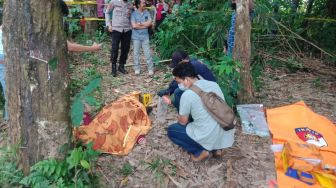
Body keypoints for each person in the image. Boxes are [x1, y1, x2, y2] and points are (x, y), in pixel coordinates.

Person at [167, 63, 235, 162]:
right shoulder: (214, 84)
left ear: (186, 79)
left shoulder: (187, 95)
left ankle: (200, 151)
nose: (179, 85)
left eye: (179, 81)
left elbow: (182, 122)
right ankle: (217, 149)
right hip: (224, 129)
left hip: (206, 135)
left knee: (172, 130)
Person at [105, 0, 133, 77]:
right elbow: (107, 13)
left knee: (125, 49)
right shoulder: (113, 2)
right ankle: (113, 67)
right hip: (116, 29)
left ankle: (121, 66)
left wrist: (131, 26)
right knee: (115, 48)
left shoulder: (130, 4)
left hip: (127, 30)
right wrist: (108, 25)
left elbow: (131, 16)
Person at [131, 0, 154, 76]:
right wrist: (144, 25)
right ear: (138, 4)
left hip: (145, 36)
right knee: (136, 53)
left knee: (147, 53)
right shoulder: (134, 14)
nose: (145, 4)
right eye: (143, 3)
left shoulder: (147, 12)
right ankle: (137, 69)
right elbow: (134, 26)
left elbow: (149, 23)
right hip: (136, 37)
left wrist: (140, 24)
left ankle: (150, 69)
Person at [0, 25, 7, 121]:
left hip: (5, 57)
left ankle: (8, 118)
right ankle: (8, 119)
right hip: (3, 58)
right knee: (9, 90)